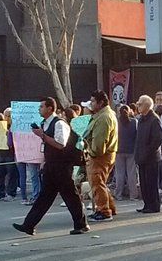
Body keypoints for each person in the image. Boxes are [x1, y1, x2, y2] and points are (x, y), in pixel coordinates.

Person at [14, 98, 90, 236]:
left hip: (62, 166)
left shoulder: (59, 123)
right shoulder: (45, 124)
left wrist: (42, 135)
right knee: (44, 197)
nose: (39, 109)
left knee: (70, 196)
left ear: (50, 108)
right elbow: (47, 146)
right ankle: (29, 225)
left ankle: (81, 224)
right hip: (51, 165)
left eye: (42, 106)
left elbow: (60, 144)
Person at [83, 90, 118, 222]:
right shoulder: (104, 114)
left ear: (101, 102)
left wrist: (91, 152)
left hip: (100, 156)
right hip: (105, 154)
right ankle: (110, 208)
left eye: (93, 101)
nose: (91, 104)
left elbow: (99, 141)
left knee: (97, 183)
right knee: (100, 182)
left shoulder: (104, 117)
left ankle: (104, 211)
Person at [133, 95, 162, 214]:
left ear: (147, 105)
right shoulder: (141, 119)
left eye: (140, 104)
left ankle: (154, 205)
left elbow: (158, 139)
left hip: (151, 157)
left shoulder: (154, 119)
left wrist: (147, 152)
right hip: (141, 157)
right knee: (144, 183)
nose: (138, 106)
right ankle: (146, 204)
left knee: (151, 183)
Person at [114, 104, 139, 201]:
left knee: (119, 173)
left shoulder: (116, 122)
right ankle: (133, 195)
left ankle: (118, 194)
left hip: (119, 150)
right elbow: (137, 136)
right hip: (131, 150)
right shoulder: (134, 122)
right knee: (131, 173)